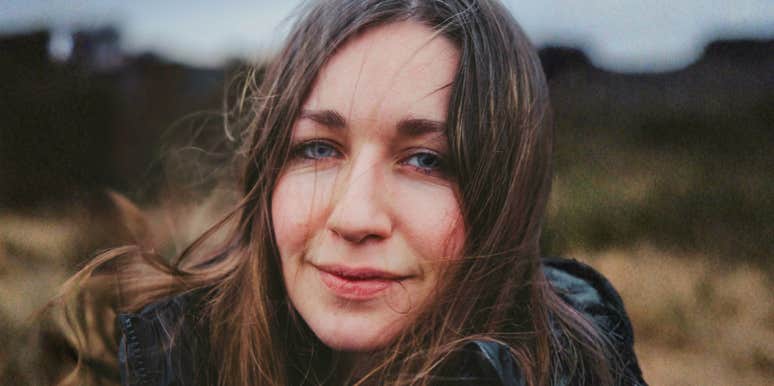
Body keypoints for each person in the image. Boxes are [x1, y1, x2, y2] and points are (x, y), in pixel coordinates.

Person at [56, 0, 646, 385]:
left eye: (426, 160)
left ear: (507, 200)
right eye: (318, 148)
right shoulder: (173, 357)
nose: (354, 216)